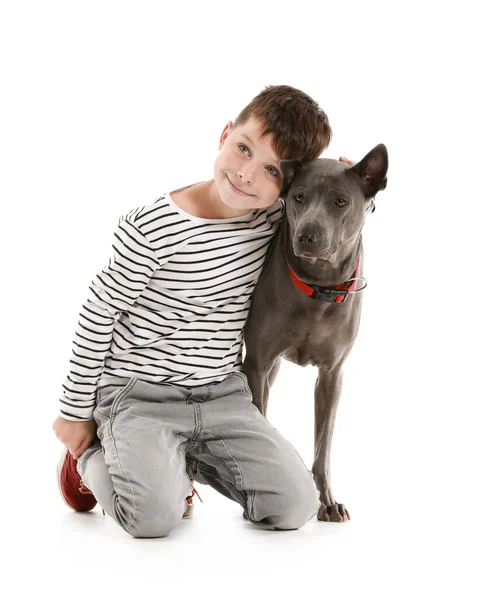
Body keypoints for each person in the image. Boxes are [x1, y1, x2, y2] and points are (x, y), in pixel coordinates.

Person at [52, 84, 333, 538]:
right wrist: (74, 411)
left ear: (290, 185)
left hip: (221, 396)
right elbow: (98, 313)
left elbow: (328, 206)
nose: (246, 175)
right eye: (243, 149)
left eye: (271, 171)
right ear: (224, 134)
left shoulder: (272, 219)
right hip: (139, 395)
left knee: (296, 505)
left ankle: (179, 461)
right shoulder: (151, 227)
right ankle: (92, 459)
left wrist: (344, 178)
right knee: (152, 519)